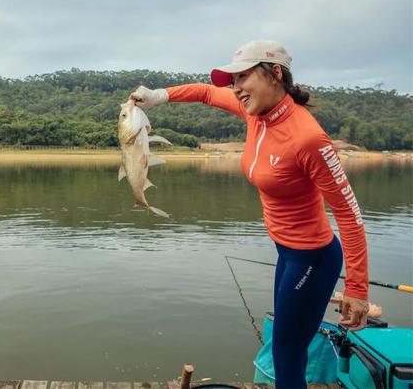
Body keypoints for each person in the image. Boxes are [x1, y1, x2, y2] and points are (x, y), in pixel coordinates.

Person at [131, 40, 369, 389]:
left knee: (286, 356)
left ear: (274, 74)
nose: (236, 87)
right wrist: (158, 96)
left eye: (243, 77)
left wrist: (357, 287)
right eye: (234, 79)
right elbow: (206, 93)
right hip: (287, 254)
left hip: (313, 259)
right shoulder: (255, 113)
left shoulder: (308, 139)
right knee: (289, 349)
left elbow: (348, 213)